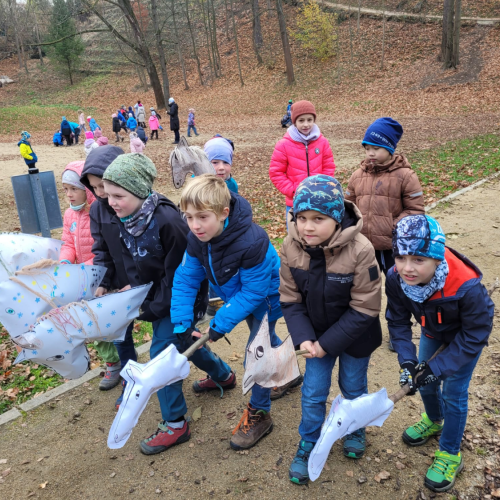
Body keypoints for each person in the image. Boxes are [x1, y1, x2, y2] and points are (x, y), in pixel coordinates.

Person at [101, 153, 209, 450]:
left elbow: (181, 276)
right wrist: (134, 292)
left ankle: (176, 423)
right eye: (108, 194)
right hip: (155, 298)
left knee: (162, 354)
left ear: (138, 190)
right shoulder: (125, 216)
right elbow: (130, 259)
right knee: (183, 342)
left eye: (118, 195)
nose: (111, 202)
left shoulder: (168, 222)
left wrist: (151, 307)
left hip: (182, 299)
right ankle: (223, 376)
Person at [170, 174, 285, 452]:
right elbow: (186, 278)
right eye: (188, 217)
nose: (195, 225)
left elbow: (254, 293)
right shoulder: (198, 239)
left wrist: (219, 324)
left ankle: (260, 413)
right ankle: (286, 371)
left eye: (202, 217)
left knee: (256, 352)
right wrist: (182, 322)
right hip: (238, 296)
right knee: (267, 344)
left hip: (267, 296)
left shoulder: (252, 241)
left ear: (224, 213)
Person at [279, 175, 382, 485]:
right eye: (302, 218)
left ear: (336, 219)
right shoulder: (289, 246)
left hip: (355, 335)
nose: (308, 227)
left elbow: (365, 307)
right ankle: (309, 440)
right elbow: (290, 299)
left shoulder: (362, 250)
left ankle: (354, 427)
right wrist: (305, 338)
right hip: (315, 337)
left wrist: (328, 343)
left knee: (352, 386)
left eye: (318, 219)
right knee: (312, 393)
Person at [387, 214, 494, 493]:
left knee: (453, 392)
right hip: (433, 331)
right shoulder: (395, 278)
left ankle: (450, 452)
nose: (407, 268)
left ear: (438, 258)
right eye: (400, 257)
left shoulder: (466, 287)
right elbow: (397, 321)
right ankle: (434, 420)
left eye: (419, 260)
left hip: (463, 340)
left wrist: (438, 368)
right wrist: (408, 360)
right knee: (424, 383)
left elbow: (476, 333)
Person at [80, 146, 138, 401]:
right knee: (121, 338)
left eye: (102, 184)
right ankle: (130, 382)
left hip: (148, 283)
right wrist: (103, 282)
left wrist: (140, 283)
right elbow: (101, 248)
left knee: (170, 338)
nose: (100, 193)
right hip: (119, 284)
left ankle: (217, 371)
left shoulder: (133, 204)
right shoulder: (97, 210)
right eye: (94, 188)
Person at [345, 117, 425, 276]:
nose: (370, 153)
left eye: (376, 148)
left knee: (396, 284)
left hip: (394, 247)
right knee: (367, 285)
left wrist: (392, 227)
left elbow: (415, 210)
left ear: (389, 148)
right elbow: (348, 206)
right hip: (364, 246)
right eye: (367, 148)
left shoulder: (406, 176)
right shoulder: (357, 176)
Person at [269, 100, 336, 222]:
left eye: (309, 120)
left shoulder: (322, 142)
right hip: (295, 202)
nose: (306, 124)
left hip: (318, 200)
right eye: (301, 120)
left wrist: (322, 187)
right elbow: (276, 173)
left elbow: (328, 167)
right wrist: (294, 190)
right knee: (295, 237)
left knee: (317, 236)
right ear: (294, 122)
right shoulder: (283, 145)